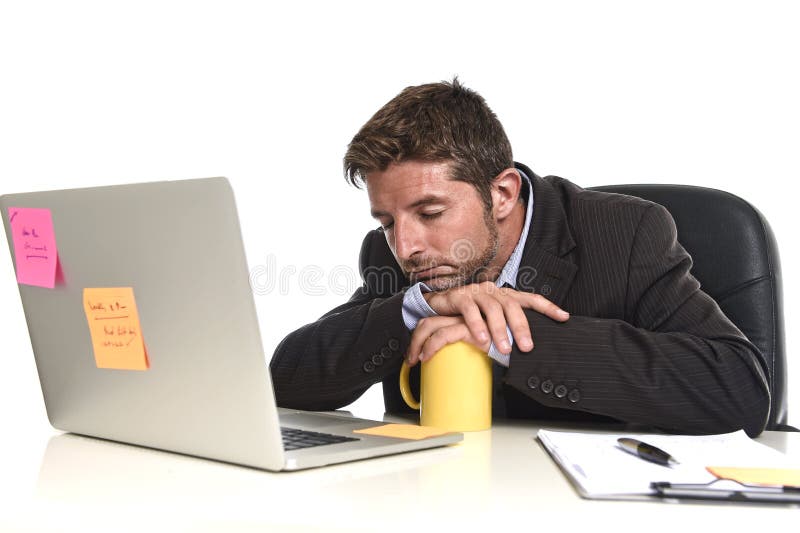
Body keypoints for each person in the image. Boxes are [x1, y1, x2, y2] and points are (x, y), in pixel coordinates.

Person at [269, 78, 770, 436]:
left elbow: (739, 386)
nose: (406, 246)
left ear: (503, 193)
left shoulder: (626, 232)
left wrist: (505, 337)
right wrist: (413, 309)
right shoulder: (394, 254)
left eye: (431, 211)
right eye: (386, 220)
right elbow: (284, 382)